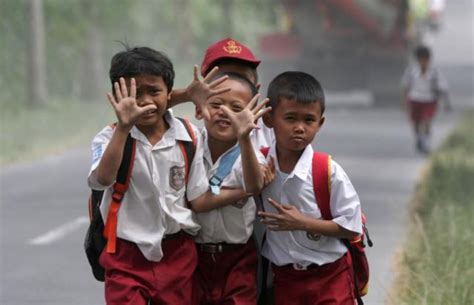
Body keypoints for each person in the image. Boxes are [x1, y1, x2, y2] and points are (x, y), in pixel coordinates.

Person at [88, 46, 254, 305]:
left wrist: (246, 190)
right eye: (134, 94)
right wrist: (123, 127)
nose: (144, 102)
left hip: (179, 255)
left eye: (153, 91)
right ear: (118, 95)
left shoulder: (189, 135)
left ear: (168, 92)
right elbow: (103, 179)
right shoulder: (109, 137)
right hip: (126, 253)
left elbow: (198, 198)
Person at [257, 71, 363, 305]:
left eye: (308, 120)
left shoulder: (327, 171)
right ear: (268, 119)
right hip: (285, 280)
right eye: (290, 118)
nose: (299, 128)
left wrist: (302, 223)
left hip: (330, 277)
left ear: (320, 123)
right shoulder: (258, 165)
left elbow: (352, 226)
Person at [192, 72, 272, 305]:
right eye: (216, 104)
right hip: (195, 255)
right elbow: (196, 200)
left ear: (251, 116)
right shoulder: (190, 146)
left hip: (237, 257)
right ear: (200, 110)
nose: (224, 112)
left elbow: (254, 184)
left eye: (236, 108)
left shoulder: (249, 154)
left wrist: (244, 137)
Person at [168, 37, 274, 149]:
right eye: (221, 79)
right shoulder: (190, 141)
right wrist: (186, 95)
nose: (231, 87)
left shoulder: (273, 129)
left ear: (256, 91)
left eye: (241, 80)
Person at [401, 45, 450, 154]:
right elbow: (405, 87)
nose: (423, 61)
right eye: (421, 59)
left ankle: (426, 143)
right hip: (415, 99)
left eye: (425, 59)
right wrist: (404, 102)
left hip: (429, 100)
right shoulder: (411, 72)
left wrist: (444, 101)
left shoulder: (435, 73)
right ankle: (418, 138)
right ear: (417, 59)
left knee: (426, 121)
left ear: (429, 59)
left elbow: (443, 87)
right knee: (416, 123)